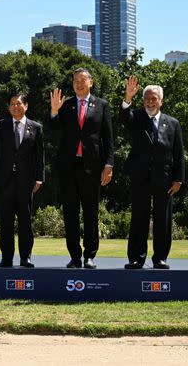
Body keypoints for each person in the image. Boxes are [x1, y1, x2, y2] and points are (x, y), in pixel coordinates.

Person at [49, 68, 114, 269]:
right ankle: (75, 256)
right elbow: (53, 128)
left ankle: (89, 255)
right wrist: (54, 111)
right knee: (70, 213)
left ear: (91, 83)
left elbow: (108, 138)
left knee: (91, 212)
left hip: (92, 167)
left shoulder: (102, 105)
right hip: (68, 167)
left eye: (83, 80)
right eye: (75, 80)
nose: (79, 83)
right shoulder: (66, 105)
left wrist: (109, 165)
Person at [121, 76, 184, 270]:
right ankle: (136, 258)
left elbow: (179, 153)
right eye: (147, 98)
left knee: (162, 220)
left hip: (164, 180)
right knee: (138, 218)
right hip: (140, 178)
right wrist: (128, 97)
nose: (150, 101)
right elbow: (124, 118)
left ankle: (160, 258)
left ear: (161, 101)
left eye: (154, 98)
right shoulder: (137, 117)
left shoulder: (172, 123)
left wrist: (178, 179)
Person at [0, 94, 43, 268]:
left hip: (26, 182)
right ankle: (6, 258)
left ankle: (26, 257)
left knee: (25, 221)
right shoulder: (2, 125)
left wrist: (39, 178)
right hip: (5, 181)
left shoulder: (36, 127)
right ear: (8, 107)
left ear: (26, 106)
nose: (15, 106)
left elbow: (40, 155)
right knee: (6, 222)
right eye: (12, 104)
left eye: (19, 103)